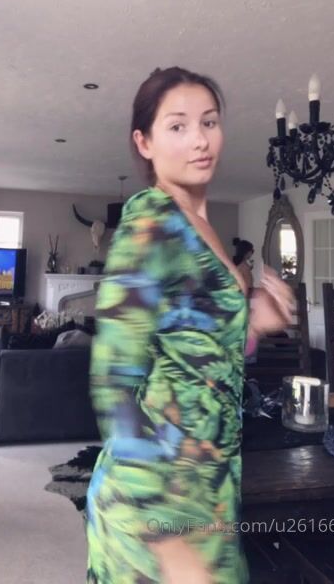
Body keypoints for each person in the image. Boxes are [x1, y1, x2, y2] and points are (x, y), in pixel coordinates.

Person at [86, 67, 294, 584]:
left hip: (209, 482)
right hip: (155, 498)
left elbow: (196, 350)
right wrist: (166, 540)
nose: (200, 139)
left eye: (209, 122)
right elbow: (114, 379)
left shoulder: (201, 227)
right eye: (177, 126)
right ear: (145, 142)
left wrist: (253, 325)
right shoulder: (151, 220)